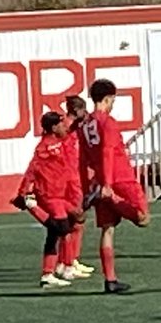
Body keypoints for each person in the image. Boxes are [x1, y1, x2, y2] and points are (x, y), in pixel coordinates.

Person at [78, 78, 150, 294]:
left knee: (108, 230)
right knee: (143, 218)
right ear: (107, 99)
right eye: (113, 100)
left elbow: (83, 159)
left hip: (100, 180)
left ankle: (110, 280)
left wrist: (88, 185)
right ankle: (111, 198)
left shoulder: (84, 126)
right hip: (118, 178)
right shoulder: (107, 122)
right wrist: (109, 186)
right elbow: (108, 151)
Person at [12, 111, 83, 289]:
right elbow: (32, 170)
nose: (63, 126)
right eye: (60, 124)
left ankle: (58, 269)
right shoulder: (44, 147)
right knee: (60, 229)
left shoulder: (60, 142)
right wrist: (22, 192)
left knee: (70, 224)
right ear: (53, 128)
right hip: (49, 195)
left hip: (59, 195)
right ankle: (32, 206)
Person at [62, 95, 96, 278]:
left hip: (78, 176)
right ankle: (66, 262)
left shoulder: (77, 127)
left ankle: (71, 259)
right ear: (76, 110)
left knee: (77, 221)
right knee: (73, 220)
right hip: (71, 179)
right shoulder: (66, 127)